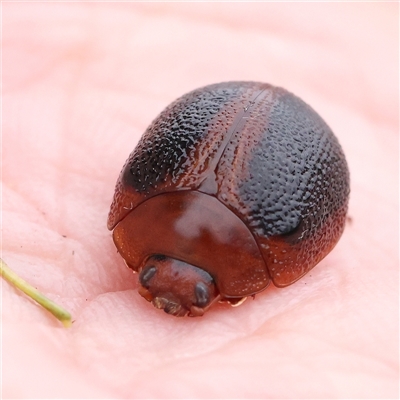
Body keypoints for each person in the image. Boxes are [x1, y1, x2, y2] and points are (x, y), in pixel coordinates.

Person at [2, 3, 398, 398]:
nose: (168, 302)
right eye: (195, 291)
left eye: (151, 277)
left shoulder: (153, 213)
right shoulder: (269, 246)